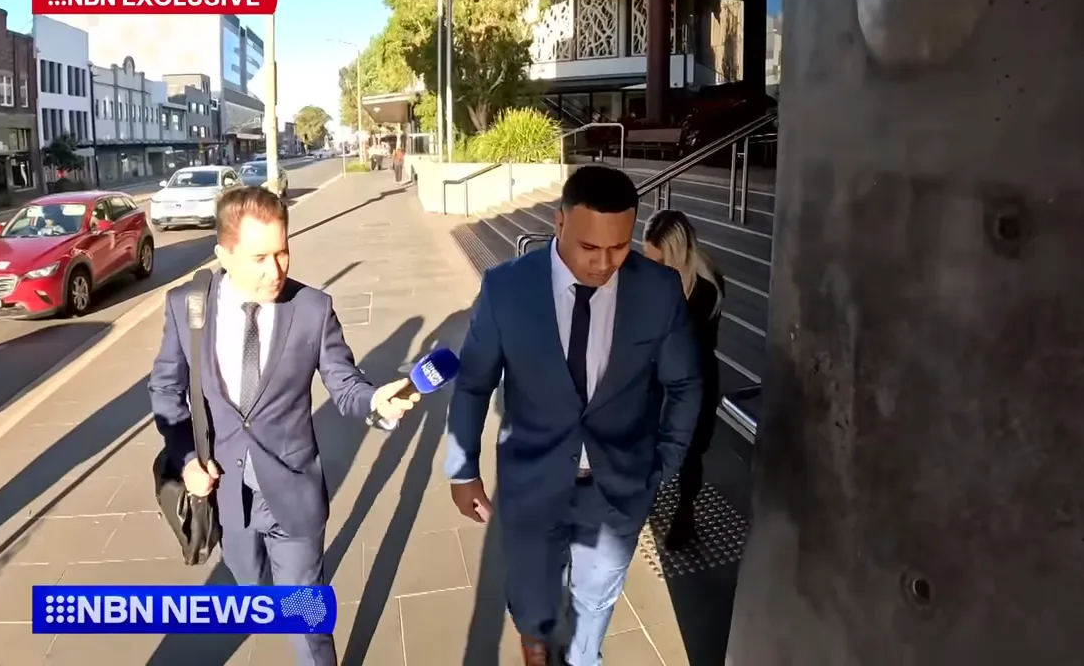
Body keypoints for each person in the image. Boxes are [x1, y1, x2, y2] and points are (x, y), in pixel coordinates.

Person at [444, 165, 704, 666]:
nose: (604, 264)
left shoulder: (659, 289)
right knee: (531, 596)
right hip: (531, 482)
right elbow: (474, 382)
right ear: (559, 223)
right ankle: (535, 639)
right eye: (589, 247)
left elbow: (686, 383)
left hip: (618, 488)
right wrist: (462, 470)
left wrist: (662, 465)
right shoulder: (507, 289)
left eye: (619, 247)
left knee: (596, 601)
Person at [148, 186, 419, 666]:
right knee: (250, 587)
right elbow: (167, 392)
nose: (275, 271)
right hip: (226, 496)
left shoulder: (312, 309)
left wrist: (375, 401)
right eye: (259, 258)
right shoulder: (187, 306)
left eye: (282, 252)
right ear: (223, 255)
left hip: (293, 494)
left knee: (304, 618)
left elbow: (345, 384)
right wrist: (187, 459)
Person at [642, 209, 726, 549]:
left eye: (660, 261)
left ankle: (685, 514)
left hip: (695, 380)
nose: (651, 268)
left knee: (691, 452)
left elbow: (686, 347)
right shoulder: (656, 280)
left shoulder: (705, 288)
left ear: (677, 255)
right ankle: (644, 500)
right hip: (656, 378)